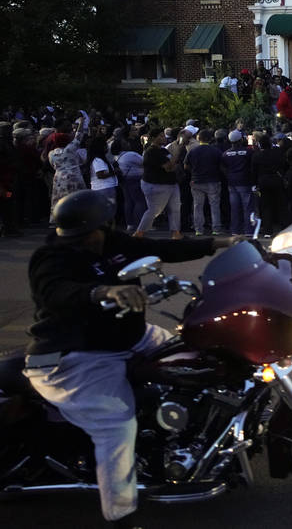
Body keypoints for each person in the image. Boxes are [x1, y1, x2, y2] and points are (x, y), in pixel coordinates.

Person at [23, 190, 240, 527]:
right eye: (91, 232)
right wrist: (104, 291)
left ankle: (195, 436)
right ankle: (121, 514)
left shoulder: (110, 242)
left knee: (198, 358)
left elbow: (160, 248)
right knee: (117, 425)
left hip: (132, 339)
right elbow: (59, 292)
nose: (96, 236)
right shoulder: (51, 258)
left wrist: (222, 243)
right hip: (76, 354)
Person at [134, 128, 182, 239]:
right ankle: (139, 233)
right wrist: (178, 150)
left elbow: (172, 165)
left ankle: (176, 233)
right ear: (152, 138)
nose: (163, 138)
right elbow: (169, 167)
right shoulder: (152, 151)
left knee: (175, 209)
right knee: (154, 210)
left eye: (163, 136)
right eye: (160, 136)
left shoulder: (163, 150)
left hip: (170, 183)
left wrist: (173, 163)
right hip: (157, 184)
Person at [184, 129, 224, 236]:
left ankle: (199, 229)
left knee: (197, 206)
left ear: (198, 138)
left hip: (196, 181)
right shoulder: (215, 151)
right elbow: (222, 165)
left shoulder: (193, 151)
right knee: (214, 205)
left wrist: (194, 171)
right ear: (211, 139)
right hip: (213, 181)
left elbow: (186, 166)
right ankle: (216, 229)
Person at [221, 130, 253, 235]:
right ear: (240, 140)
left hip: (232, 183)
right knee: (247, 207)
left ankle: (235, 230)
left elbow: (223, 168)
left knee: (234, 208)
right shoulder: (248, 152)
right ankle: (248, 230)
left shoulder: (225, 154)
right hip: (245, 182)